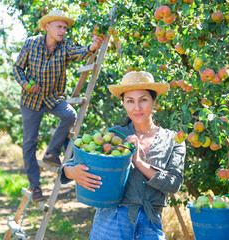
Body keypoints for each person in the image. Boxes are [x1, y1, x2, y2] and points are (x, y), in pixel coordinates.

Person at [60, 71, 186, 239]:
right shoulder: (115, 136)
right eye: (130, 101)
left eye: (143, 100)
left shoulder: (173, 140)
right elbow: (70, 164)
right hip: (112, 219)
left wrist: (138, 161)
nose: (137, 107)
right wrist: (71, 172)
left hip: (151, 222)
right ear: (124, 104)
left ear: (154, 101)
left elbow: (174, 184)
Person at [13, 9, 105, 201]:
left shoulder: (65, 47)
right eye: (59, 26)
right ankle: (35, 186)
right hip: (31, 99)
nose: (63, 30)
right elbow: (18, 67)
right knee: (29, 142)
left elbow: (81, 52)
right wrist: (25, 84)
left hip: (53, 97)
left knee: (70, 115)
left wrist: (93, 46)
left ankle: (52, 152)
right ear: (48, 26)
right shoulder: (31, 43)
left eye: (65, 27)